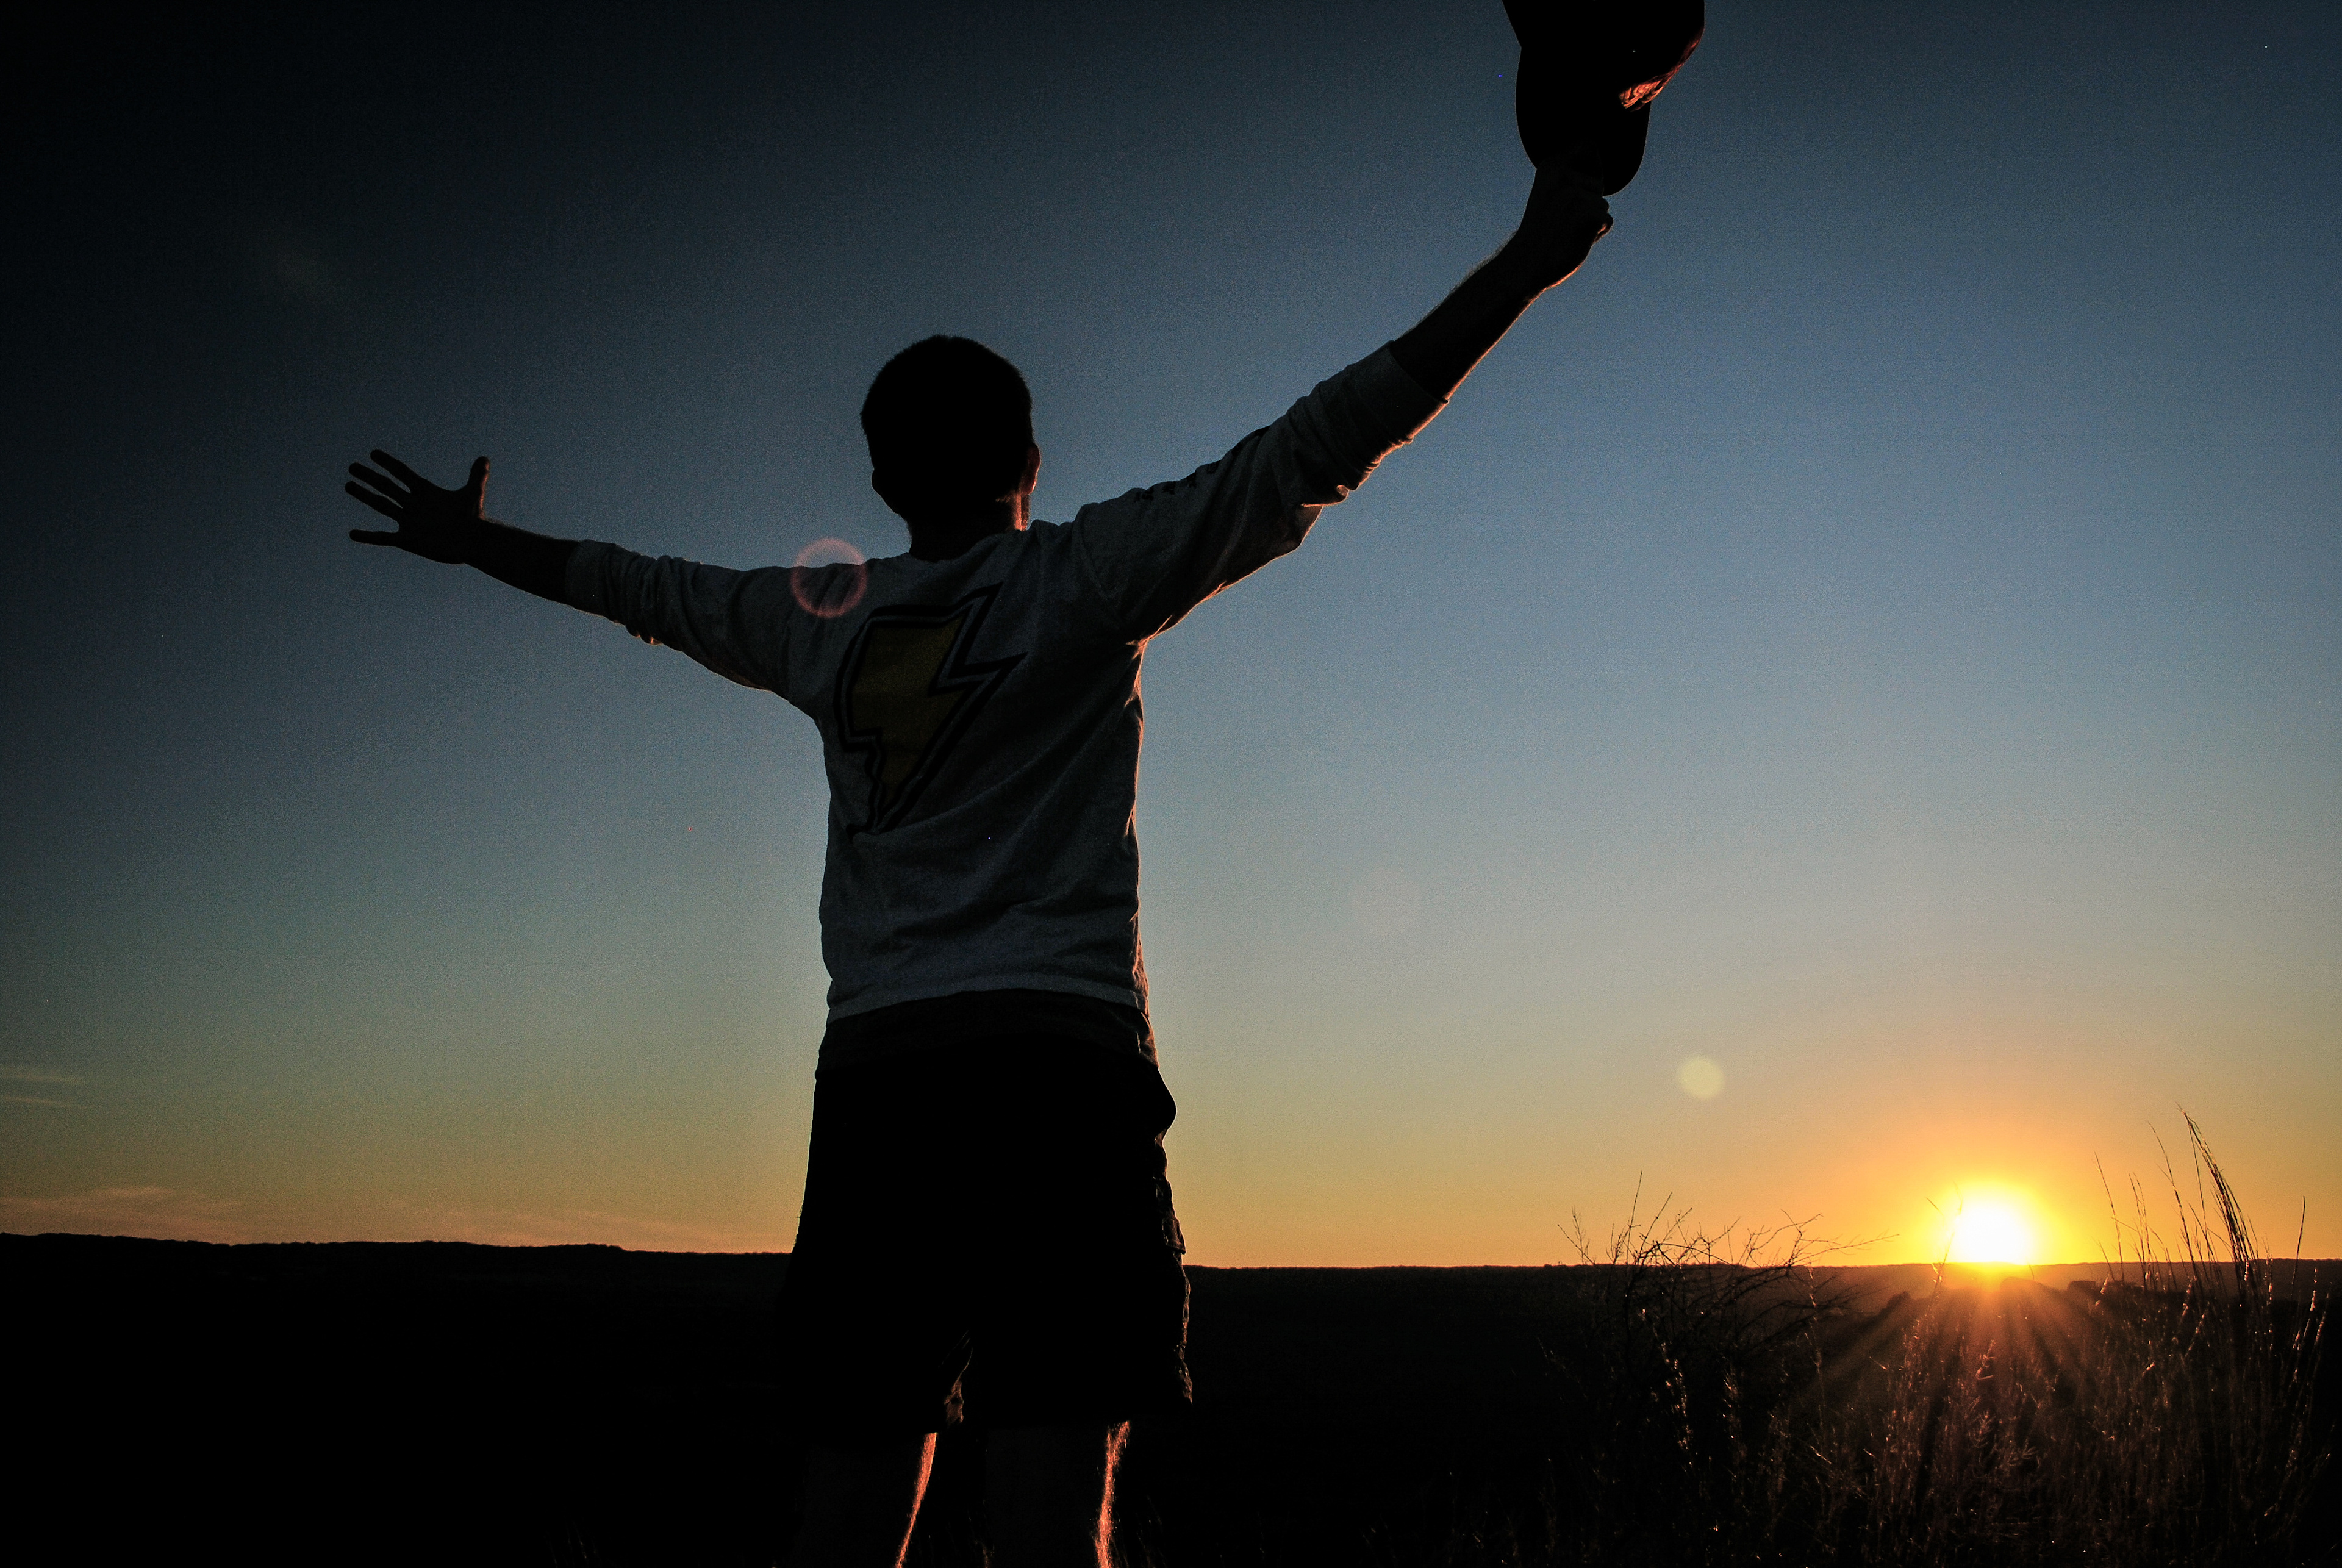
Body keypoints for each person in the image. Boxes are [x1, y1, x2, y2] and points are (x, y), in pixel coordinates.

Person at [344, 163, 1612, 1568]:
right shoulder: (1085, 576)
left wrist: (474, 546)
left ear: (882, 479)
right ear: (1033, 459)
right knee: (1050, 1524)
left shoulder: (814, 621)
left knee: (848, 1506)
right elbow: (1321, 440)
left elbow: (642, 588)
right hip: (1056, 1079)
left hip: (882, 1086)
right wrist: (1528, 259)